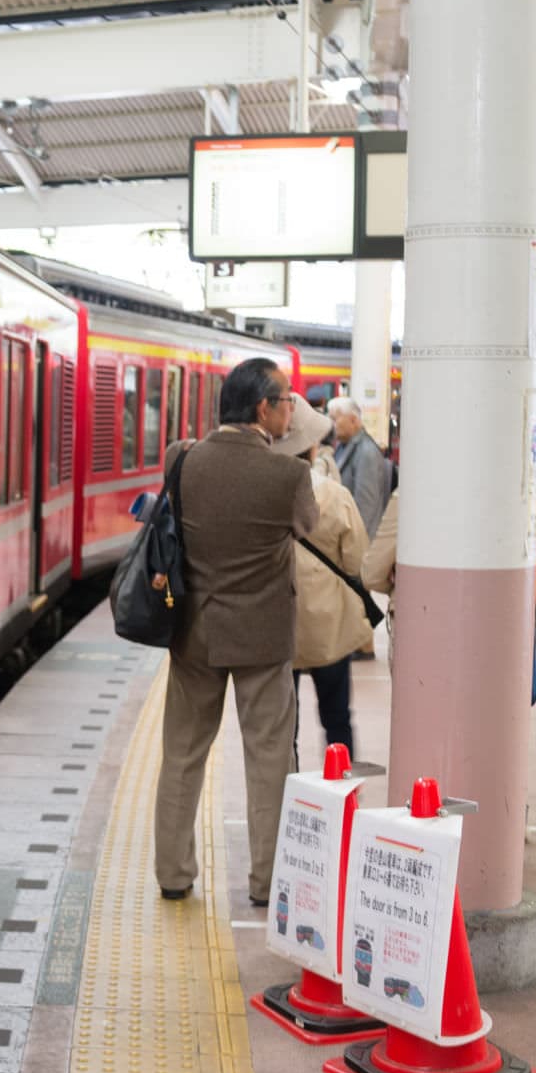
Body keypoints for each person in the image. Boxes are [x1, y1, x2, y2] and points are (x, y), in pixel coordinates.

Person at [155, 358, 317, 907]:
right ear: (263, 408)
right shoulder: (289, 476)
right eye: (288, 400)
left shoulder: (182, 459)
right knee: (269, 760)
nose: (293, 409)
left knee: (181, 754)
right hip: (263, 640)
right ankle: (266, 881)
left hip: (194, 632)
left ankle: (174, 874)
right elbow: (308, 525)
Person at [270, 396, 375, 769]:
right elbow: (356, 560)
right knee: (337, 718)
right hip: (330, 628)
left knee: (286, 725)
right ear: (312, 445)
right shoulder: (333, 494)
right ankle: (341, 791)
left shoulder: (264, 493)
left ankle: (289, 799)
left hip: (281, 626)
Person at [326, 396, 390, 538]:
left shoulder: (367, 452)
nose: (331, 424)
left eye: (334, 419)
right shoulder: (343, 446)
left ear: (353, 420)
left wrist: (352, 540)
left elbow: (365, 505)